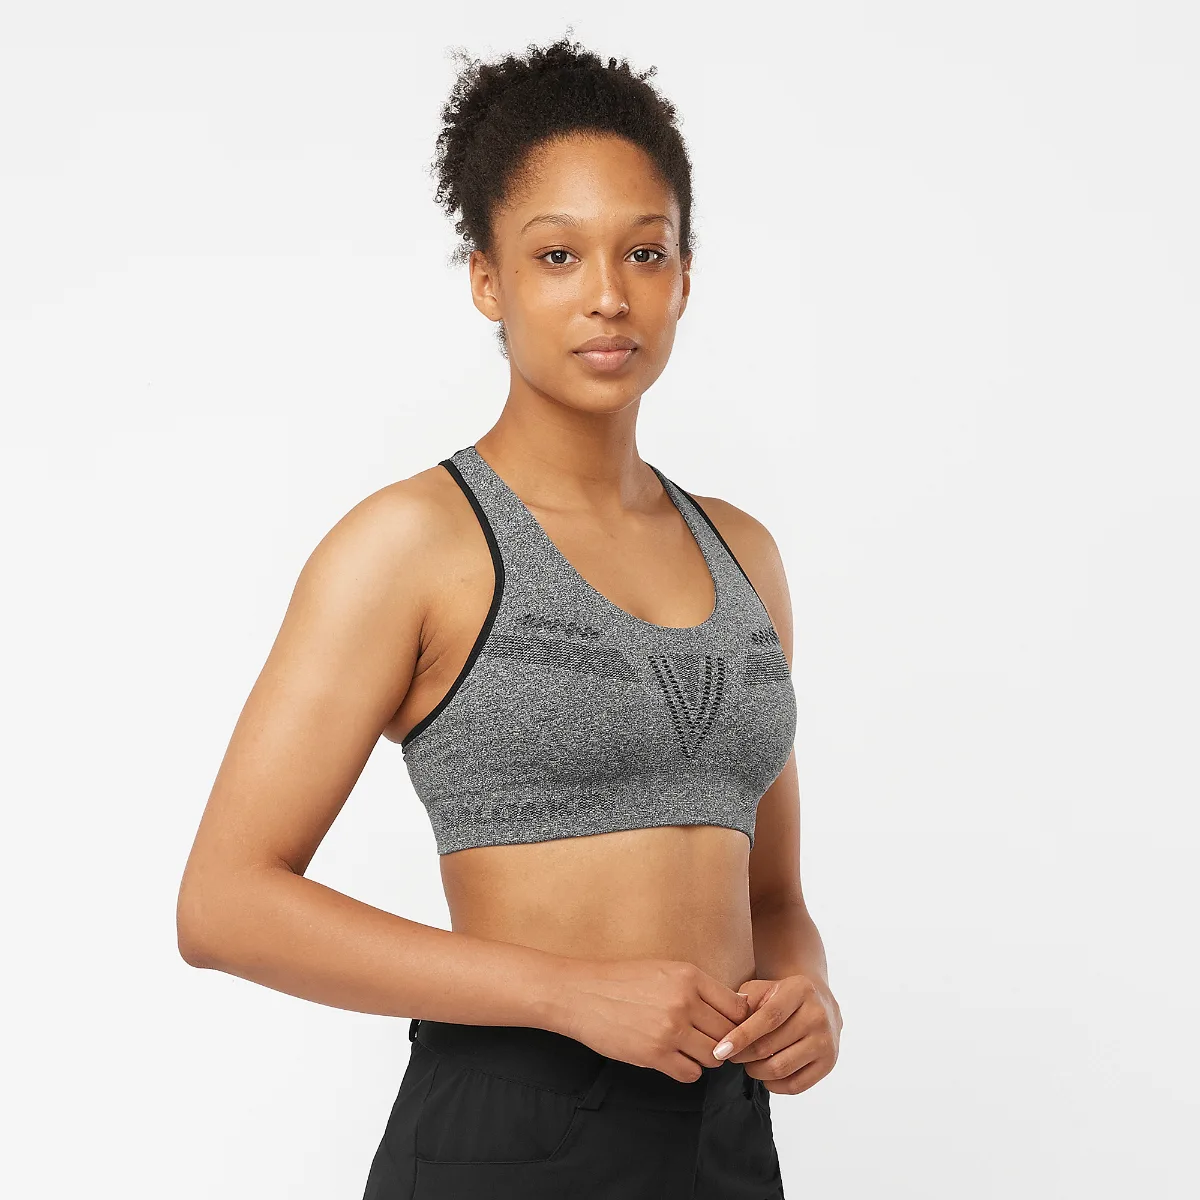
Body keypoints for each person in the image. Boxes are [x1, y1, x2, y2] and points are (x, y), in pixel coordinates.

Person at [176, 33, 842, 1200]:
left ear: (685, 277)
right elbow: (224, 903)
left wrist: (809, 994)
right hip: (511, 1136)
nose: (608, 294)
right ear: (488, 279)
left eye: (645, 251)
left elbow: (774, 901)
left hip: (723, 1141)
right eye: (556, 254)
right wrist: (564, 993)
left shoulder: (745, 555)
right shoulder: (414, 544)